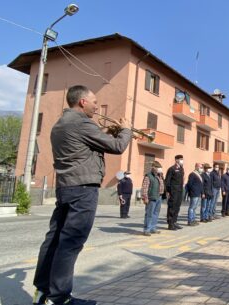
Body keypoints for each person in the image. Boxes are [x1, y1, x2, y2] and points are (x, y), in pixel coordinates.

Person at [33, 85, 132, 305]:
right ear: (82, 102)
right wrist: (126, 130)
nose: (97, 106)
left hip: (65, 186)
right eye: (95, 101)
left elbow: (85, 145)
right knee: (71, 242)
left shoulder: (61, 124)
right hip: (83, 188)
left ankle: (42, 292)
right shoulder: (82, 122)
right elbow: (117, 147)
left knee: (54, 239)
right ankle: (59, 298)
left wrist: (105, 132)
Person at [141, 161, 165, 236]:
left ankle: (153, 228)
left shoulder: (160, 175)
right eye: (158, 168)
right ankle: (146, 229)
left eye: (160, 168)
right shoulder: (148, 176)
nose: (160, 169)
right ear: (153, 168)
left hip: (159, 197)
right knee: (149, 214)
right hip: (151, 197)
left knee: (156, 214)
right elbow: (145, 188)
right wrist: (145, 198)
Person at [165, 155, 185, 230]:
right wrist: (168, 191)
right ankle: (170, 224)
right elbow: (167, 181)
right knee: (172, 207)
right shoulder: (171, 169)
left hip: (180, 190)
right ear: (176, 160)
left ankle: (174, 222)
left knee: (177, 207)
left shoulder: (181, 169)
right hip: (173, 191)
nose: (182, 161)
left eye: (182, 159)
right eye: (180, 159)